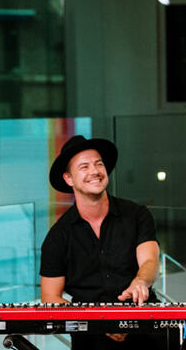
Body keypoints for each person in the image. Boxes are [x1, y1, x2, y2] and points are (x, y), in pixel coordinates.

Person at [39, 135, 162, 349]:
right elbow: (50, 297)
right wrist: (96, 320)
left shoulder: (136, 214)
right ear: (69, 179)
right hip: (91, 335)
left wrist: (141, 282)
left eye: (99, 164)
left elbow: (150, 261)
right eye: (84, 167)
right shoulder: (57, 236)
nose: (95, 171)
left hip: (144, 325)